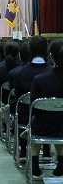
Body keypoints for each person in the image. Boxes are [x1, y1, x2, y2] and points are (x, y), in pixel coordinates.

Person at [12, 35, 53, 161]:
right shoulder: (53, 72)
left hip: (26, 118)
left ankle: (23, 150)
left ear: (29, 50)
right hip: (51, 118)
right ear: (46, 51)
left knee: (21, 108)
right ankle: (46, 151)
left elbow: (18, 99)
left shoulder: (18, 73)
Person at [30, 39, 63, 178]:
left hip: (42, 126)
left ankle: (35, 166)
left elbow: (34, 107)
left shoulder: (40, 79)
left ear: (51, 55)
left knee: (36, 122)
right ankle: (61, 164)